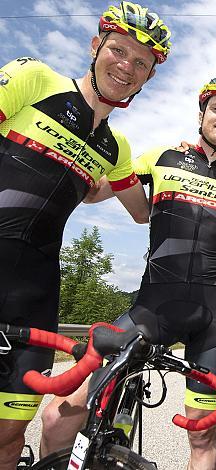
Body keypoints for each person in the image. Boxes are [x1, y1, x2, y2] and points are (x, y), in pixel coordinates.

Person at [39, 76, 216, 470]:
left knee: (203, 433)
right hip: (153, 308)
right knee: (58, 414)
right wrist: (78, 146)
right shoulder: (162, 155)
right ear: (201, 114)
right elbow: (97, 190)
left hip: (214, 317)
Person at [0, 2, 170, 467]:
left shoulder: (116, 149)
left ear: (148, 78)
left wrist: (177, 181)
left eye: (141, 63)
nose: (127, 67)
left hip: (33, 294)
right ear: (96, 46)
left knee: (9, 440)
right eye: (119, 50)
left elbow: (141, 212)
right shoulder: (35, 79)